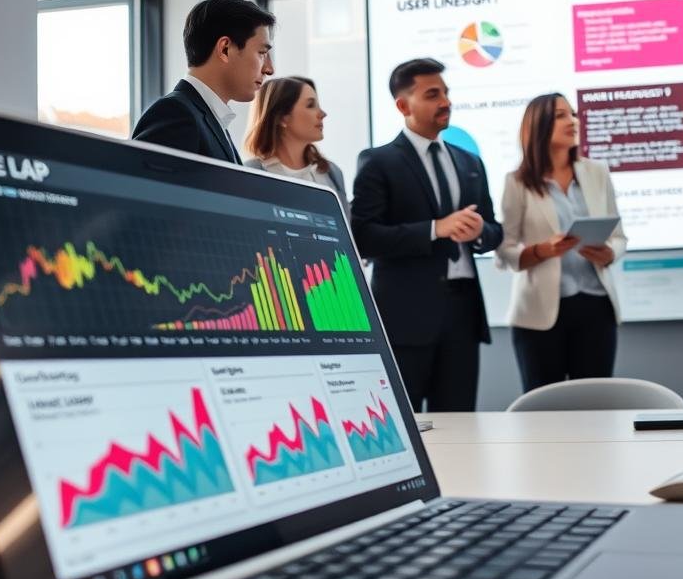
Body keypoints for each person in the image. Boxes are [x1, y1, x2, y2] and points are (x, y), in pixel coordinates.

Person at [350, 58, 502, 412]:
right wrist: (436, 229)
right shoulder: (378, 162)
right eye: (433, 94)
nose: (445, 101)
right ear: (403, 105)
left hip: (463, 314)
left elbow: (495, 231)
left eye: (446, 92)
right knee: (407, 422)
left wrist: (481, 232)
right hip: (407, 317)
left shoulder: (470, 163)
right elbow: (364, 237)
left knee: (462, 424)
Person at [495, 93, 626, 393]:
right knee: (543, 410)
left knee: (595, 407)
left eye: (574, 114)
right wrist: (543, 250)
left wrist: (608, 253)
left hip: (596, 308)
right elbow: (504, 251)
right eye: (560, 116)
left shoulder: (597, 172)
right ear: (538, 125)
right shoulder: (516, 182)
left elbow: (619, 236)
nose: (573, 121)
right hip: (539, 316)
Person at [132, 0, 275, 164]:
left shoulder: (206, 118)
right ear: (225, 49)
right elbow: (144, 189)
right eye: (262, 53)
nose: (269, 69)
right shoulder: (176, 115)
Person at [243, 76, 348, 204]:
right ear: (282, 117)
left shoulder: (332, 172)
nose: (322, 114)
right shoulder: (251, 174)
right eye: (310, 105)